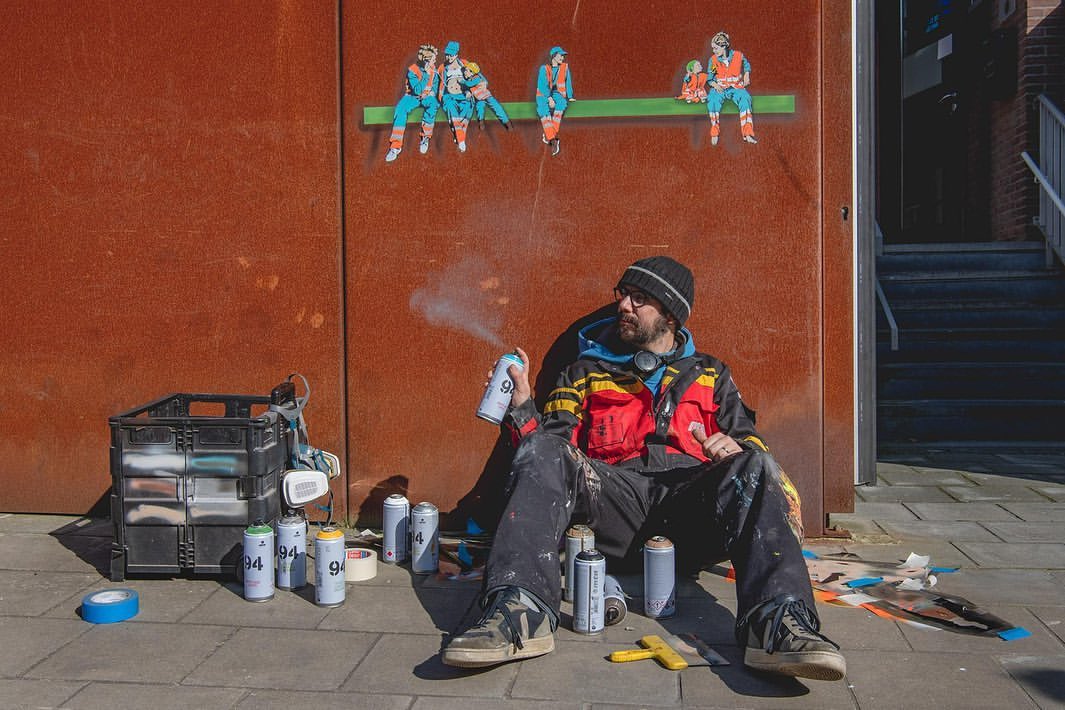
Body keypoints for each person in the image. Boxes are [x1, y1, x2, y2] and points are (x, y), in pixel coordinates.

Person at [442, 256, 846, 682]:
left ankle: (778, 624)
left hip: (692, 508)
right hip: (612, 508)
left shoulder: (712, 374)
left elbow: (753, 443)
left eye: (640, 300)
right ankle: (518, 612)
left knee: (758, 464)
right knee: (542, 451)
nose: (624, 307)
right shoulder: (582, 373)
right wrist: (523, 408)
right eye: (623, 297)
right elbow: (548, 456)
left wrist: (735, 449)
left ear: (670, 314)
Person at [385, 44, 441, 163]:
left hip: (427, 97)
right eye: (433, 60)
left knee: (433, 104)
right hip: (412, 97)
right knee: (400, 110)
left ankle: (425, 137)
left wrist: (432, 93)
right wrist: (426, 74)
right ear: (426, 61)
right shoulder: (412, 70)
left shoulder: (434, 71)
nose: (435, 61)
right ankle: (395, 147)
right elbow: (417, 90)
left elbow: (435, 86)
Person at [706, 31, 757, 145]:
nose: (714, 51)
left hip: (736, 88)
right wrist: (715, 85)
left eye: (715, 48)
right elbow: (710, 78)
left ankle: (748, 133)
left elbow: (746, 65)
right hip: (720, 88)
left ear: (724, 46)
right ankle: (715, 132)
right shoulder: (713, 60)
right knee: (712, 100)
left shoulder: (738, 55)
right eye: (713, 48)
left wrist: (747, 74)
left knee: (746, 99)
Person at [535, 46, 573, 156]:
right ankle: (553, 140)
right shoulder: (544, 69)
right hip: (543, 93)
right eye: (560, 55)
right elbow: (541, 86)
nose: (562, 57)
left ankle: (548, 135)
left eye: (563, 55)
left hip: (556, 92)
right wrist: (549, 98)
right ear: (554, 56)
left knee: (561, 104)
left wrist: (570, 96)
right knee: (543, 111)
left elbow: (568, 82)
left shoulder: (564, 67)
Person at [463, 61, 511, 130]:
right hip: (479, 98)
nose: (464, 72)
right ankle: (481, 122)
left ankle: (507, 123)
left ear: (472, 72)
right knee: (479, 107)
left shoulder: (476, 78)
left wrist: (461, 82)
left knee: (496, 107)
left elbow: (468, 84)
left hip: (486, 96)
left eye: (466, 70)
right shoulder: (472, 77)